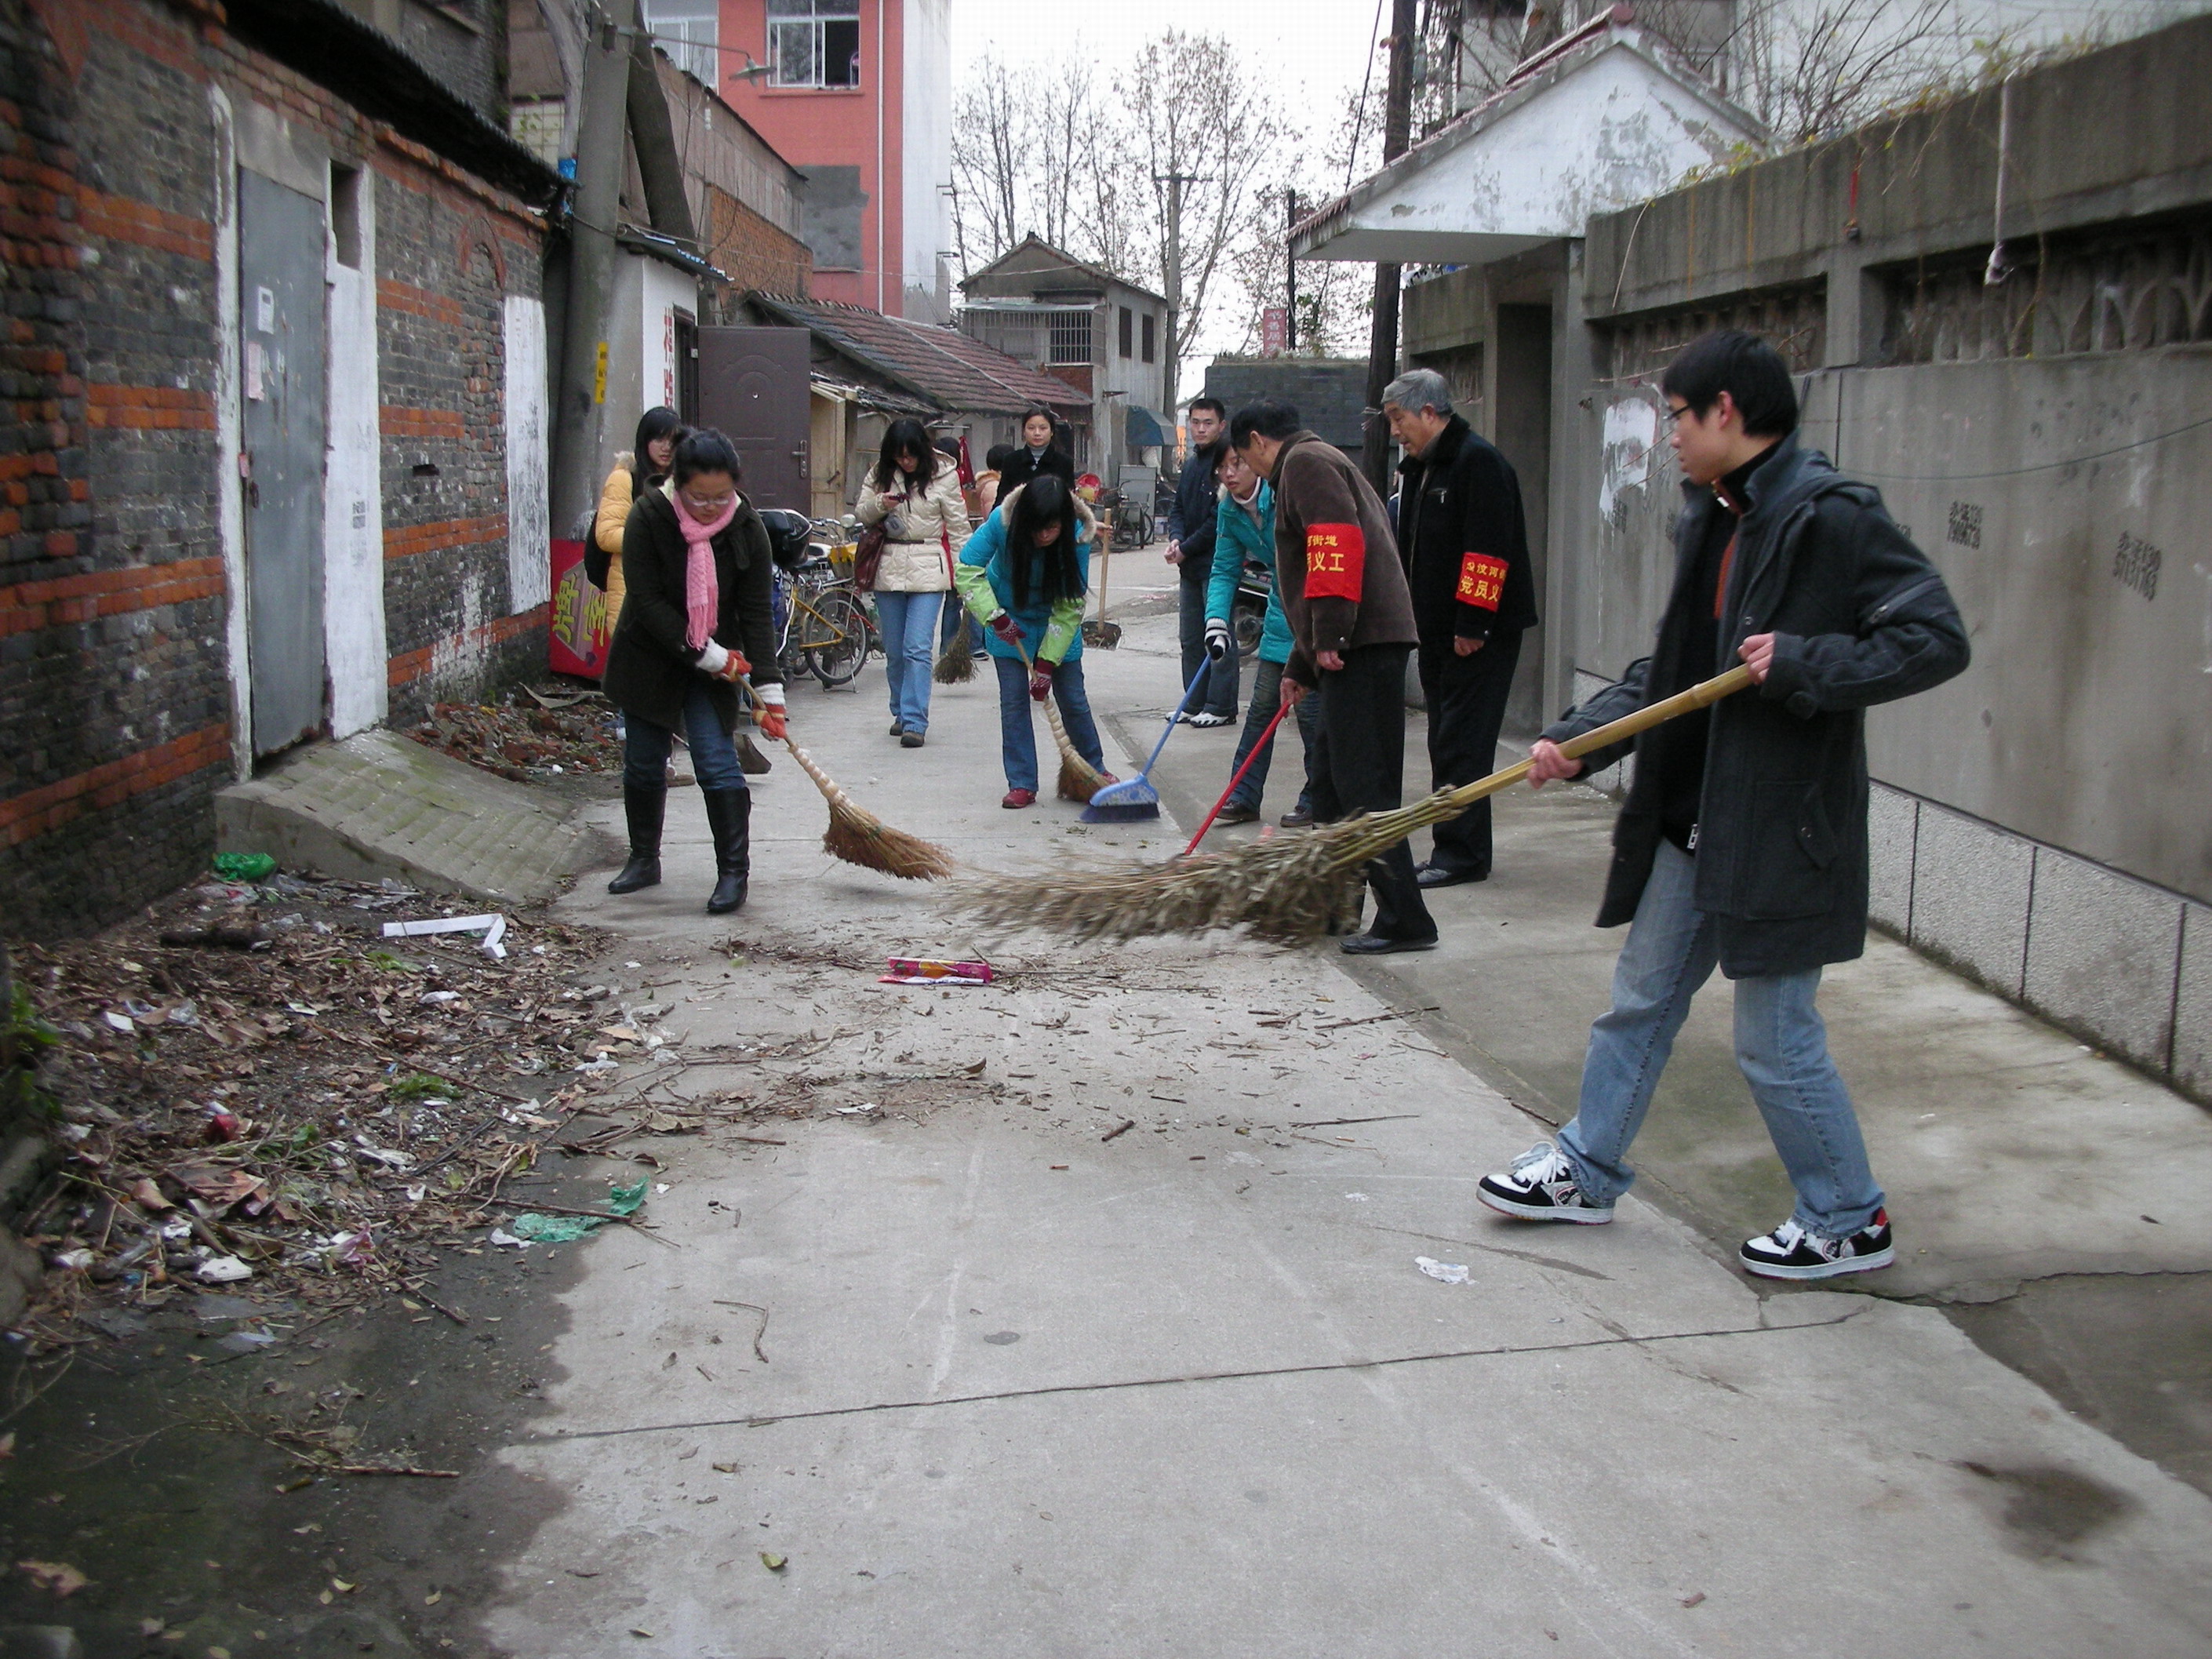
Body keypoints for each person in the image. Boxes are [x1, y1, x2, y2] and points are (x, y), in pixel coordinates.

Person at [1475, 330, 1970, 1280]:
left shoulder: (1831, 517)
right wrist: (1584, 737)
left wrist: (1806, 662)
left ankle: (1848, 1216)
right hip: (1691, 816)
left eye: (1675, 416)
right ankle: (1588, 1166)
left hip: (1780, 829)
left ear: (1726, 414)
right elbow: (1674, 673)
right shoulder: (1716, 514)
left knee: (1775, 1041)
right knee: (1640, 1001)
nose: (1667, 437)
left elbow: (1935, 637)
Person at [1230, 398, 1436, 955]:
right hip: (1354, 640)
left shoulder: (1305, 464)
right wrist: (1302, 664)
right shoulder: (1312, 460)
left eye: (1242, 455)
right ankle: (1334, 904)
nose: (1245, 466)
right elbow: (1310, 577)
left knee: (1364, 785)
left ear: (1256, 440)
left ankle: (1405, 917)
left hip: (1364, 644)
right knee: (1327, 782)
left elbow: (1335, 548)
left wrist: (1332, 638)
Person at [601, 429, 785, 915]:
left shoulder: (747, 527)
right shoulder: (648, 516)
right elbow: (647, 601)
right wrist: (704, 653)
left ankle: (733, 873)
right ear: (677, 484)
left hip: (717, 668)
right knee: (643, 762)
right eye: (698, 497)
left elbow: (756, 614)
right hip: (650, 656)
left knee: (715, 761)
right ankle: (644, 858)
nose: (709, 507)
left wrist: (769, 690)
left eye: (720, 497)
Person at [1381, 368, 1539, 888]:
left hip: (1476, 635)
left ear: (1430, 412)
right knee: (1443, 737)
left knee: (1464, 742)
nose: (1396, 431)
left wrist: (1473, 622)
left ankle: (1463, 854)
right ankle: (1455, 841)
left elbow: (1488, 548)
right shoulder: (1421, 468)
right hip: (1434, 631)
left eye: (1400, 419)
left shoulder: (1478, 463)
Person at [955, 475, 1113, 809]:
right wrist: (994, 616)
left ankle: (1094, 771)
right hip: (1008, 617)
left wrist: (1046, 664)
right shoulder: (1002, 522)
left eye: (1051, 528)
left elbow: (1070, 604)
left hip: (1058, 621)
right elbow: (968, 568)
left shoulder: (1077, 534)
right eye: (1037, 528)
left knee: (1073, 699)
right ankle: (1022, 782)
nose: (1043, 536)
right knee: (1013, 704)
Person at [1202, 443, 1317, 827]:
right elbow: (1223, 569)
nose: (1231, 473)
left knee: (1312, 713)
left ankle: (1318, 796)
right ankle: (1243, 794)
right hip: (1280, 616)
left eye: (1237, 463)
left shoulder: (1283, 495)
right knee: (1262, 710)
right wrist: (1216, 622)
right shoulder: (1229, 510)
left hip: (1314, 615)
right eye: (1223, 467)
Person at [856, 418, 970, 748]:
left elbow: (960, 528)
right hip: (888, 564)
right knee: (894, 650)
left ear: (922, 451)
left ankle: (916, 721)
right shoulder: (879, 473)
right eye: (899, 456)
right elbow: (861, 512)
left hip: (928, 565)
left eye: (910, 456)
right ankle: (901, 711)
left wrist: (964, 573)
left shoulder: (944, 477)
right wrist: (881, 504)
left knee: (917, 648)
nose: (905, 462)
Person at [1166, 396, 1236, 727]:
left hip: (1215, 564)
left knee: (1218, 637)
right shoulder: (1192, 464)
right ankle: (1193, 703)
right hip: (1189, 566)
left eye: (1208, 423)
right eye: (1195, 422)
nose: (1201, 429)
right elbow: (1178, 508)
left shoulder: (1226, 463)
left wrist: (1187, 547)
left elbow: (1216, 519)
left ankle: (1221, 706)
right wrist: (1176, 540)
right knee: (1190, 638)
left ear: (1222, 426)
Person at [588, 406, 683, 635]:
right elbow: (607, 535)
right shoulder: (624, 478)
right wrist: (655, 539)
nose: (667, 447)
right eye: (660, 439)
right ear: (645, 439)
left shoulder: (684, 480)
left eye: (673, 440)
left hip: (673, 589)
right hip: (630, 585)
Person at [995, 407, 1074, 497]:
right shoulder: (1011, 460)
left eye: (1043, 428)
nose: (1037, 433)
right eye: (1031, 428)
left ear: (1052, 432)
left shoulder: (1065, 463)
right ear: (1024, 431)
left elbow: (1070, 501)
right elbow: (1002, 500)